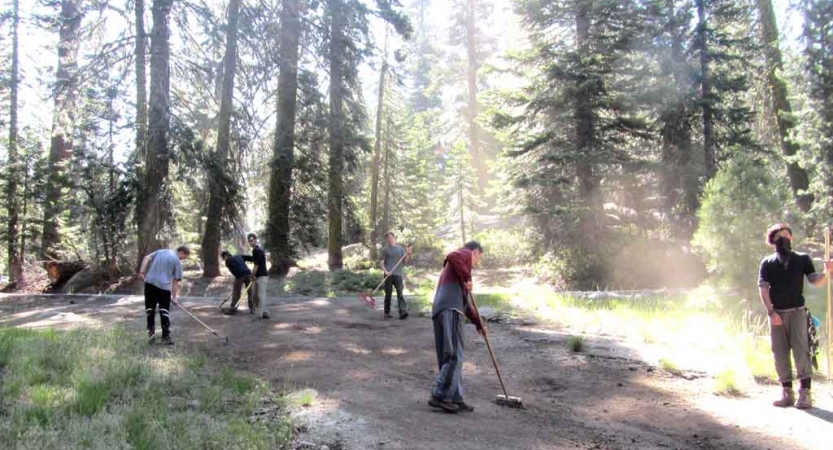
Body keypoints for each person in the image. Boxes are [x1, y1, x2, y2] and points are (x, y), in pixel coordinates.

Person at [758, 224, 831, 409]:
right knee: (780, 353)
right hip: (776, 314)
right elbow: (763, 289)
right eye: (780, 236)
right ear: (773, 240)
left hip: (797, 312)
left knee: (801, 351)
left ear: (791, 238)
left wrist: (827, 271)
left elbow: (816, 281)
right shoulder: (767, 263)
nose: (784, 238)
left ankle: (805, 395)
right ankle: (786, 393)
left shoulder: (802, 259)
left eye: (787, 235)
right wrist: (771, 312)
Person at [429, 241, 485, 414]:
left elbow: (465, 303)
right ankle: (440, 395)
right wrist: (468, 278)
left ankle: (454, 397)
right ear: (475, 252)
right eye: (478, 258)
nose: (475, 263)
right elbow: (452, 255)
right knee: (455, 355)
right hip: (450, 308)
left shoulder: (457, 272)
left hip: (441, 309)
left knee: (450, 355)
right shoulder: (464, 255)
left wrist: (478, 324)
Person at [138, 245, 190, 345]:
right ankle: (165, 337)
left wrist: (141, 272)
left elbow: (146, 258)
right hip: (164, 288)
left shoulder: (161, 251)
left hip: (149, 284)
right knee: (164, 312)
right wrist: (174, 298)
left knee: (150, 311)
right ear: (182, 253)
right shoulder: (177, 261)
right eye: (184, 257)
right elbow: (175, 282)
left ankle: (151, 337)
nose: (183, 259)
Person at [379, 232, 413, 319]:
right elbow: (381, 263)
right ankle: (387, 312)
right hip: (388, 275)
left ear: (394, 238)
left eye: (390, 237)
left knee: (400, 293)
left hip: (398, 274)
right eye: (388, 238)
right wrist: (386, 271)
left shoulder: (400, 249)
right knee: (388, 294)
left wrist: (408, 254)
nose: (389, 239)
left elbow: (405, 261)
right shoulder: (385, 249)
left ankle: (403, 312)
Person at [242, 233, 270, 320]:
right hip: (259, 276)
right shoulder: (255, 250)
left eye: (252, 240)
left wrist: (252, 275)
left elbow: (256, 265)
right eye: (249, 241)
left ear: (255, 240)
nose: (250, 242)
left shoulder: (257, 250)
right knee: (257, 296)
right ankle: (265, 312)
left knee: (260, 296)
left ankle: (259, 315)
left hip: (262, 276)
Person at [221, 250, 253, 315]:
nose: (223, 259)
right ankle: (253, 308)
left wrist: (238, 280)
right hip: (248, 273)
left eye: (223, 258)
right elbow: (250, 258)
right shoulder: (238, 256)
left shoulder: (227, 261)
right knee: (250, 291)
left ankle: (233, 309)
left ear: (226, 256)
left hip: (240, 275)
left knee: (236, 292)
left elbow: (234, 272)